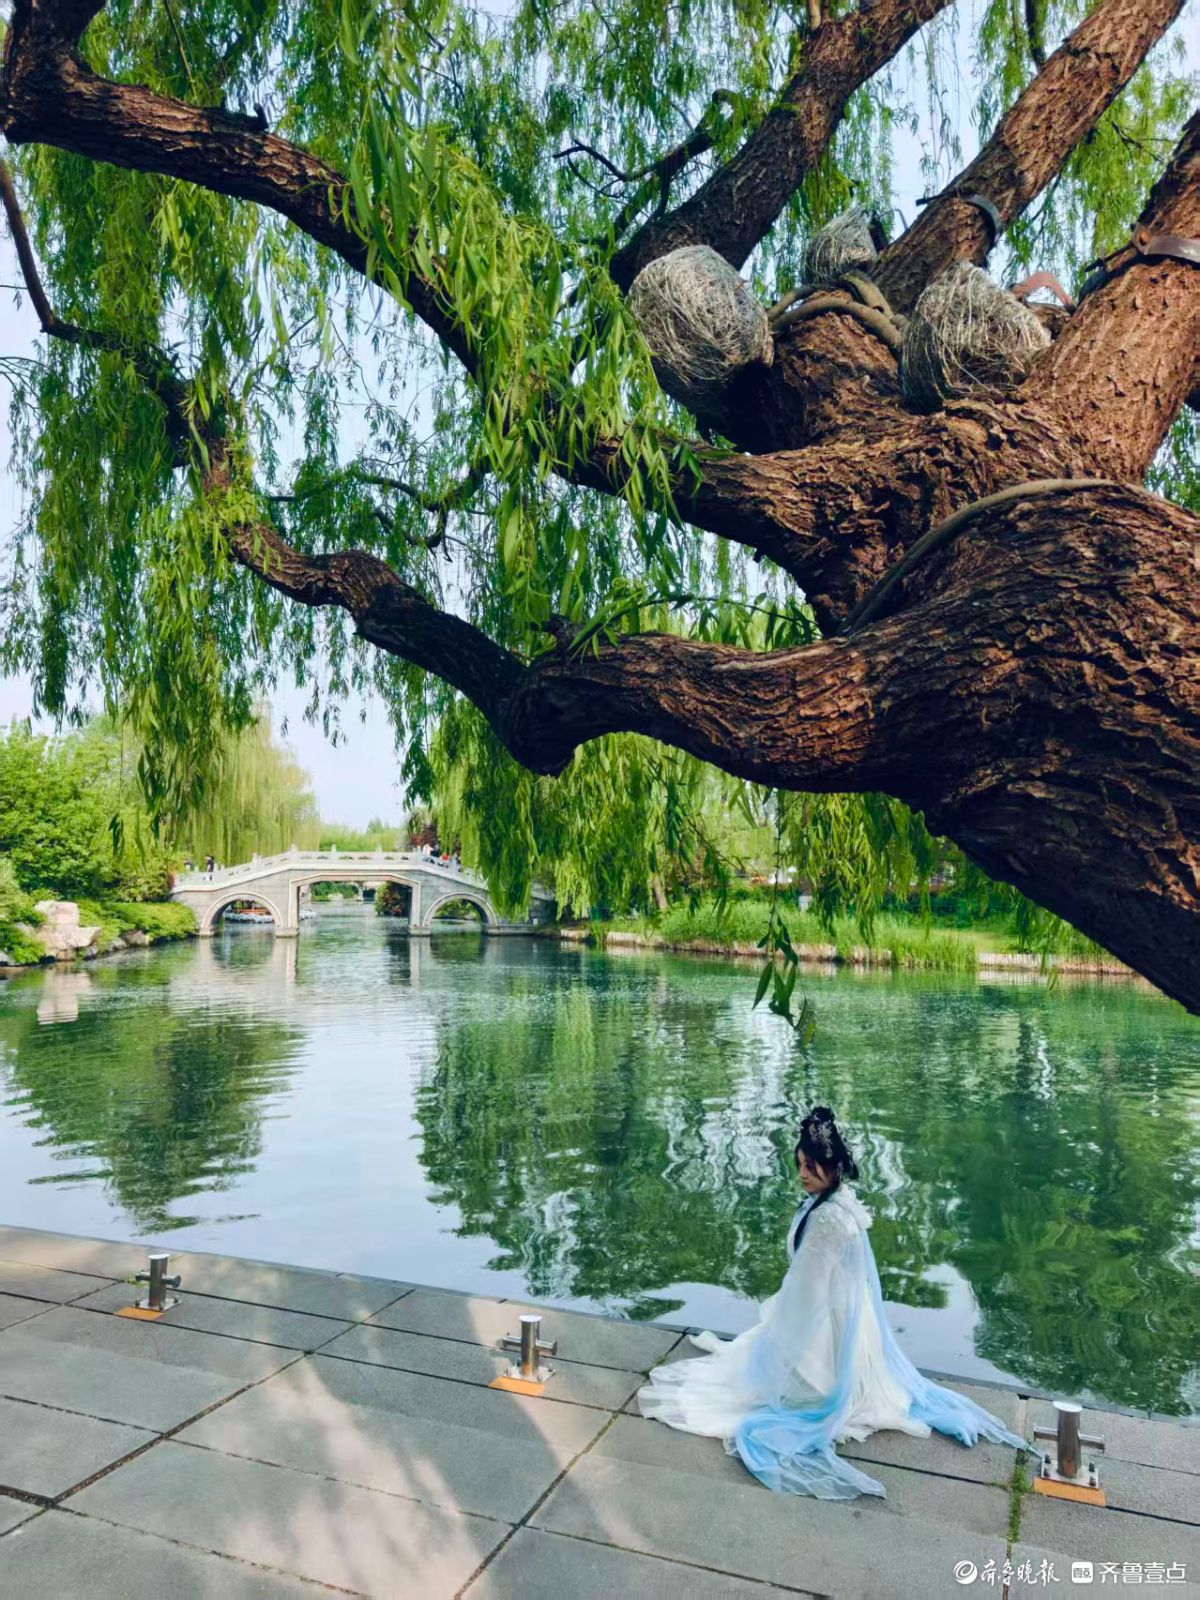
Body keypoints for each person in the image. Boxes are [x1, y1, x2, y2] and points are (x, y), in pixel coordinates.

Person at [638, 1106, 1031, 1499]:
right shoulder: (839, 1200)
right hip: (848, 1321)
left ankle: (811, 1384)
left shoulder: (828, 1219)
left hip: (825, 1325)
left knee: (752, 1385)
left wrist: (778, 1327)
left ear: (832, 1167)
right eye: (799, 1165)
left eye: (810, 1166)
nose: (802, 1174)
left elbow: (808, 1291)